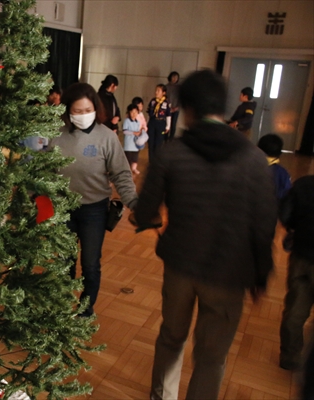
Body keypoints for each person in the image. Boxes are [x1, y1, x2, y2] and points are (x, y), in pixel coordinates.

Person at [132, 69, 277, 400]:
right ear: (222, 107)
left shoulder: (172, 153)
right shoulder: (254, 159)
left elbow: (145, 210)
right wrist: (261, 272)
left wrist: (144, 217)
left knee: (171, 337)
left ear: (189, 109)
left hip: (181, 265)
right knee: (212, 356)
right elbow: (264, 222)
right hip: (230, 273)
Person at [48, 83, 138, 317]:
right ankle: (61, 306)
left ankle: (86, 309)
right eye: (77, 111)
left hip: (94, 211)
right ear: (68, 111)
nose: (82, 115)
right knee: (65, 262)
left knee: (89, 263)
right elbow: (43, 170)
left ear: (96, 109)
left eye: (87, 110)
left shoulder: (106, 137)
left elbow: (121, 174)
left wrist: (134, 203)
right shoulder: (57, 135)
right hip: (63, 208)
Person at [278, 175, 314, 371]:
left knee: (294, 312)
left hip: (302, 255)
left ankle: (290, 358)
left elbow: (285, 214)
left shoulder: (304, 185)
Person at [257, 133, 291, 200]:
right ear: (279, 152)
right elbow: (287, 193)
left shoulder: (248, 167)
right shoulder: (283, 173)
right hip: (274, 207)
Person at [146, 84, 171, 163]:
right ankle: (151, 161)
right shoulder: (153, 101)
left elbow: (168, 115)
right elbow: (148, 112)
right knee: (151, 143)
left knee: (158, 143)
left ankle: (156, 162)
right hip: (152, 122)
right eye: (156, 90)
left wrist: (168, 126)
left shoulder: (166, 102)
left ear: (163, 92)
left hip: (161, 123)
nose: (156, 92)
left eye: (158, 91)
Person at [123, 103, 142, 175]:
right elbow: (125, 131)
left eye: (135, 112)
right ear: (129, 112)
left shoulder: (138, 122)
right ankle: (126, 170)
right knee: (128, 159)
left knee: (135, 159)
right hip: (128, 145)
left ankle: (134, 169)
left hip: (135, 145)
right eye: (132, 112)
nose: (134, 114)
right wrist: (134, 133)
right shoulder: (127, 121)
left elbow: (138, 131)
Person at [166, 71, 180, 141]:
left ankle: (171, 138)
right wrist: (168, 107)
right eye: (173, 77)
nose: (174, 78)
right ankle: (165, 137)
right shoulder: (166, 86)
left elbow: (181, 98)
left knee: (173, 124)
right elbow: (164, 98)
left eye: (176, 77)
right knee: (167, 123)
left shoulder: (179, 87)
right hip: (168, 108)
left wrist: (176, 107)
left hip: (176, 108)